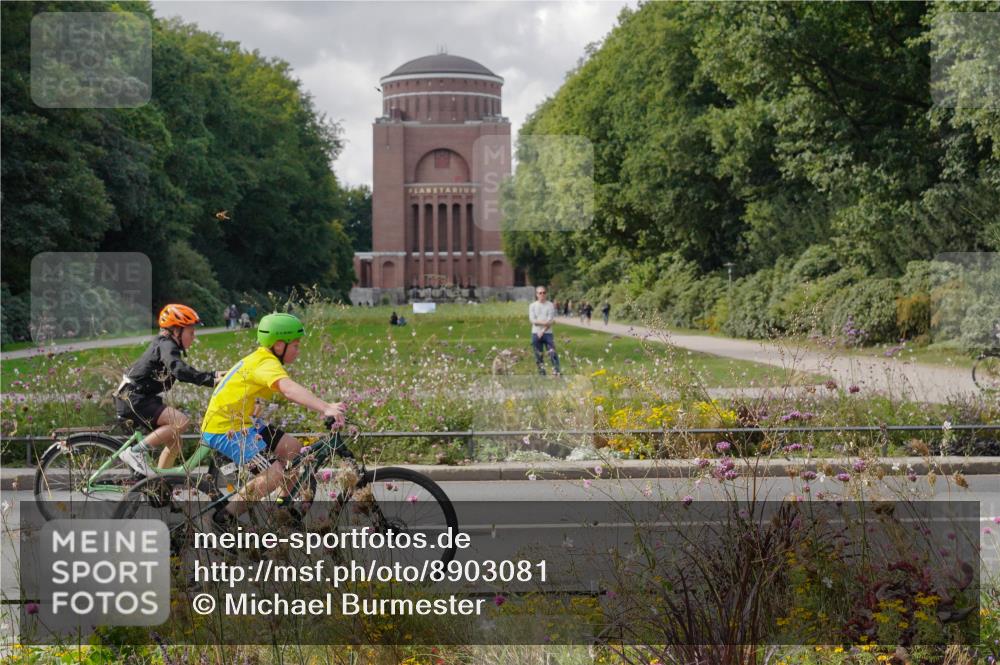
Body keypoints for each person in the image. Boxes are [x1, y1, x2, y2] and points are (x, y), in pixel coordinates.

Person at [201, 313, 345, 528]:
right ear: (279, 345)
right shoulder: (265, 363)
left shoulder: (263, 359)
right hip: (225, 428)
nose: (298, 350)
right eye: (295, 345)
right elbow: (288, 389)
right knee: (275, 473)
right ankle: (224, 519)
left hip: (244, 422)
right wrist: (325, 408)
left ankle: (281, 510)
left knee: (294, 450)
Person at [116, 304, 221, 475]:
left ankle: (160, 483)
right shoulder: (167, 345)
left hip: (136, 397)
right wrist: (211, 380)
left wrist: (215, 374)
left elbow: (184, 370)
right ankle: (134, 453)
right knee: (180, 422)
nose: (193, 337)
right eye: (191, 332)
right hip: (134, 398)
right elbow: (179, 370)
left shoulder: (165, 344)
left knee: (175, 442)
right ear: (176, 331)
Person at [529, 286, 561, 376]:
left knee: (553, 353)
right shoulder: (532, 306)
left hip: (548, 333)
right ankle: (542, 374)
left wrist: (542, 330)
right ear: (537, 294)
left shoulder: (550, 305)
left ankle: (557, 372)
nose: (542, 294)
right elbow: (532, 320)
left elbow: (550, 320)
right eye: (540, 293)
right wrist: (544, 322)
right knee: (538, 355)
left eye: (544, 292)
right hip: (535, 333)